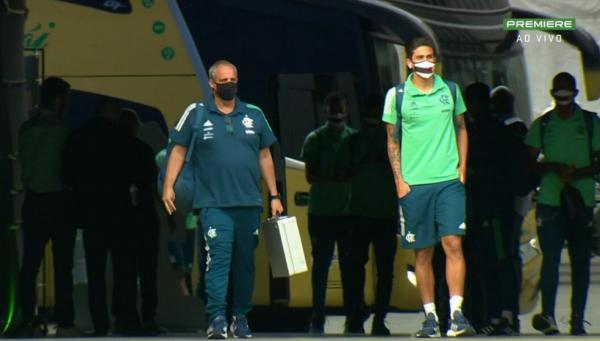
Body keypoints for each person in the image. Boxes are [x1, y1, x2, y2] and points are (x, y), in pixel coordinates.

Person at [162, 60, 283, 339]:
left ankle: (240, 317)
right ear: (212, 84)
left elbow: (265, 155)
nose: (230, 84)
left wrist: (274, 195)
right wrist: (169, 186)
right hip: (213, 204)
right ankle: (216, 317)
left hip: (249, 203)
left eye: (234, 79)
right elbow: (178, 150)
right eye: (224, 80)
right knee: (217, 260)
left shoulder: (253, 114)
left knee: (245, 264)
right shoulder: (197, 113)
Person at [382, 37, 475, 337]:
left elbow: (461, 127)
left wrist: (461, 169)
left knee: (453, 244)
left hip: (448, 181)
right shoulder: (397, 95)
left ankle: (457, 314)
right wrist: (399, 180)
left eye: (430, 57)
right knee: (422, 253)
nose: (426, 62)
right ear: (409, 61)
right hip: (415, 186)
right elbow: (392, 139)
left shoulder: (449, 90)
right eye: (419, 57)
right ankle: (431, 317)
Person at [525, 72, 599, 336]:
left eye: (567, 91)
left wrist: (577, 173)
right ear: (552, 93)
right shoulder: (543, 125)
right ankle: (549, 316)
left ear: (576, 93)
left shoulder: (591, 123)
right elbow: (529, 162)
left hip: (581, 204)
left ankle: (577, 320)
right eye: (559, 91)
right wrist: (553, 167)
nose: (563, 96)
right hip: (550, 203)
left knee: (580, 262)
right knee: (551, 261)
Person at [63, 100, 140, 336]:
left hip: (91, 213)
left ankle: (100, 324)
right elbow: (134, 171)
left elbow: (68, 173)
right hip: (119, 211)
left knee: (95, 272)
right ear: (112, 113)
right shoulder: (122, 137)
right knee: (123, 269)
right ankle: (124, 319)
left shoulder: (79, 136)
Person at [15, 77, 78, 337]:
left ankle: (27, 318)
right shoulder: (64, 130)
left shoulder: (27, 128)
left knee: (30, 264)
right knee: (63, 266)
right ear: (59, 99)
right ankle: (65, 322)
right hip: (60, 202)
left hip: (33, 201)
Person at [300, 91, 357, 335]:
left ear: (347, 111)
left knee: (348, 266)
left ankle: (352, 315)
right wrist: (335, 178)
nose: (336, 113)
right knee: (321, 267)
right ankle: (318, 315)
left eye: (340, 108)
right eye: (332, 108)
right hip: (321, 214)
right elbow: (310, 175)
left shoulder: (354, 138)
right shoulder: (315, 139)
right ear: (325, 111)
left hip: (347, 214)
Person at [347, 94, 397, 335]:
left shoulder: (394, 142)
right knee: (358, 267)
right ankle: (357, 315)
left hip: (385, 214)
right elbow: (344, 172)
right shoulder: (354, 141)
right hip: (361, 214)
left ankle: (379, 318)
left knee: (385, 270)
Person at [118, 108, 165, 335]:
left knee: (124, 271)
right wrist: (168, 214)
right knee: (148, 270)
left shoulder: (113, 152)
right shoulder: (143, 150)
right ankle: (149, 319)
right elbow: (154, 185)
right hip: (145, 217)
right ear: (136, 127)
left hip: (121, 217)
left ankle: (125, 319)